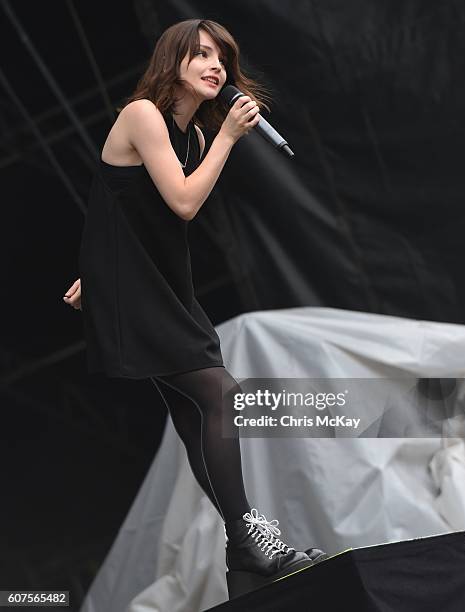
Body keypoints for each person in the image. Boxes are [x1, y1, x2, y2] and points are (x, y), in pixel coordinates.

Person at [64, 18, 326, 598]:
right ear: (172, 61)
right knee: (220, 393)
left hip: (161, 285)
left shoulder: (195, 137)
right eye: (202, 55)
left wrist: (98, 266)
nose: (216, 68)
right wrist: (231, 139)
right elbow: (180, 203)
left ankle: (245, 554)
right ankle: (252, 537)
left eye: (223, 61)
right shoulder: (142, 115)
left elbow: (136, 209)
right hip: (137, 293)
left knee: (192, 416)